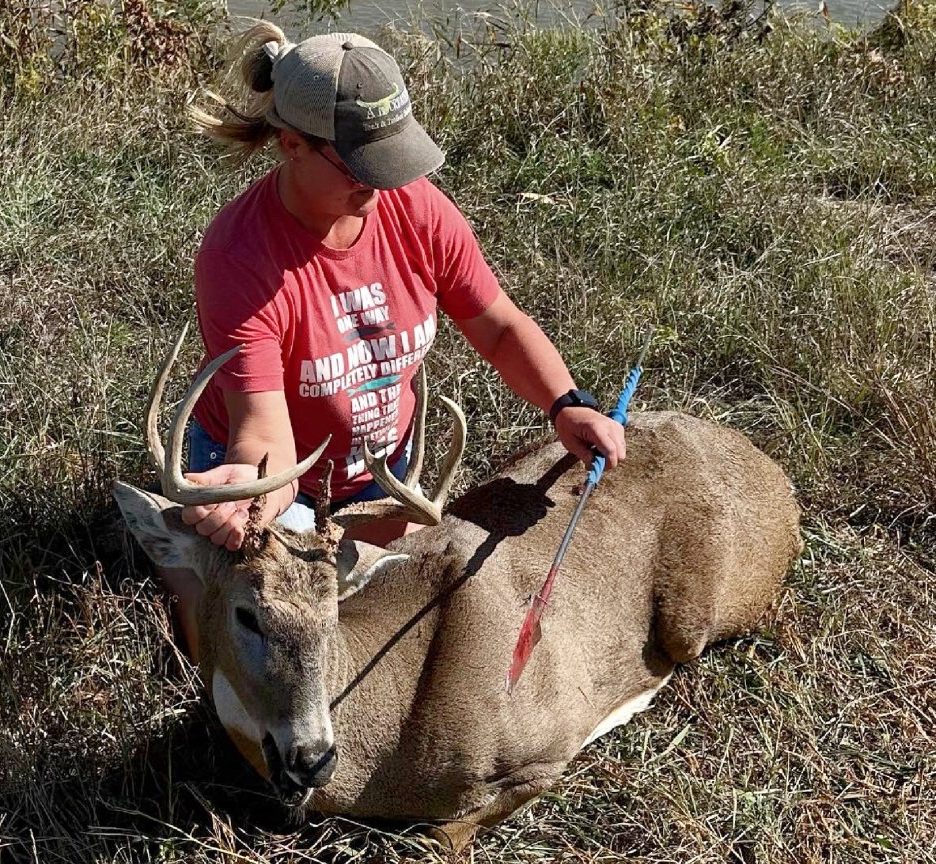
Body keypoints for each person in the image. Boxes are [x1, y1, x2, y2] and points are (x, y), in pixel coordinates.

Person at [178, 22, 626, 552]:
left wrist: (566, 402)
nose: (384, 182)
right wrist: (254, 493)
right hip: (277, 480)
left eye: (390, 158)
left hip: (379, 471)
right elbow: (262, 432)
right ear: (293, 145)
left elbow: (500, 328)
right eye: (360, 167)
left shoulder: (416, 207)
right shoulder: (241, 258)